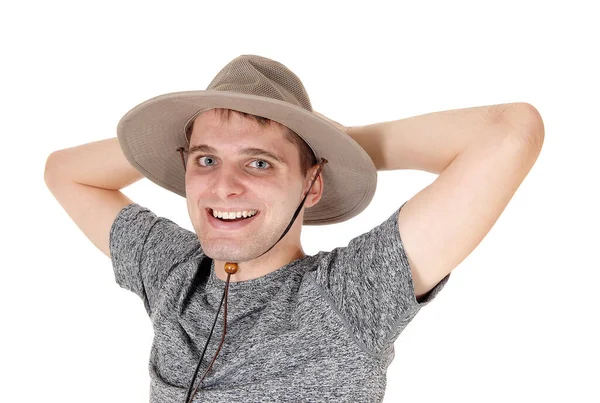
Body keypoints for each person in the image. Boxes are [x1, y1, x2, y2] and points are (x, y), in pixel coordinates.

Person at [44, 54, 544, 402]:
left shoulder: (349, 294)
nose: (224, 187)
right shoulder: (173, 270)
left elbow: (511, 131)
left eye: (259, 164)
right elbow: (64, 172)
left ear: (312, 185)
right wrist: (182, 129)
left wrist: (336, 142)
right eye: (206, 159)